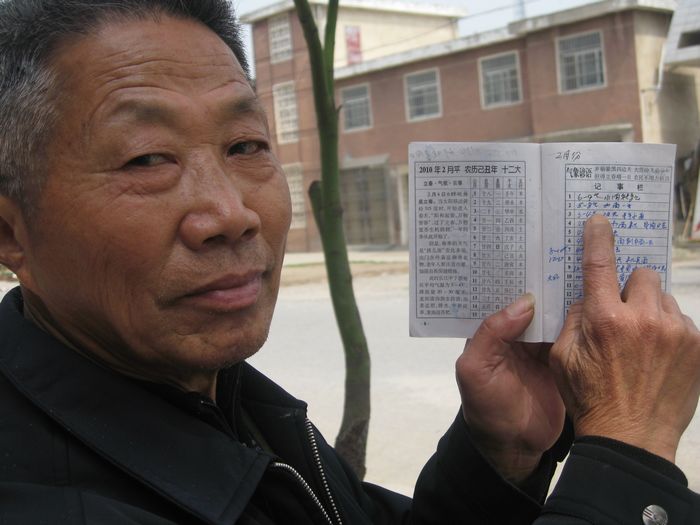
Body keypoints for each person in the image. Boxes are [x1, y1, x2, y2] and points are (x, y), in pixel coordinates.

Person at [0, 0, 697, 523]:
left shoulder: (230, 401)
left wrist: (499, 454)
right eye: (147, 158)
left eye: (245, 146)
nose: (232, 213)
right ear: (11, 233)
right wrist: (628, 450)